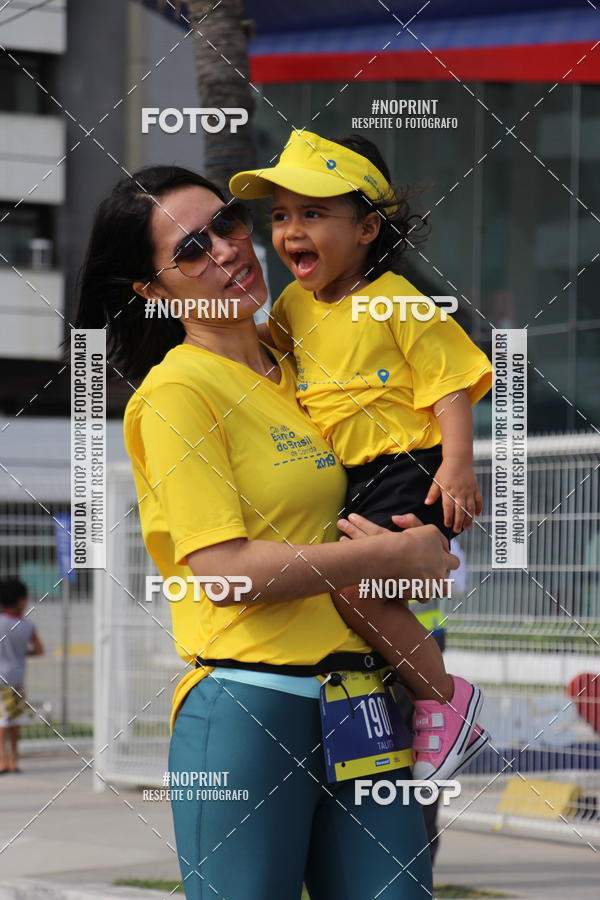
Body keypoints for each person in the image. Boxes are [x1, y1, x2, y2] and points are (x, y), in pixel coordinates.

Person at [75, 165, 460, 899]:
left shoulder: (305, 367)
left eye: (226, 222)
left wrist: (419, 555)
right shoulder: (176, 396)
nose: (226, 248)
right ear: (151, 293)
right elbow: (227, 573)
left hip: (360, 704)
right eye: (190, 248)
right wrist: (397, 552)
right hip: (255, 708)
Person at [230, 129, 494, 782]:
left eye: (314, 213)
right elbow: (263, 354)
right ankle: (395, 716)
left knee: (358, 586)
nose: (291, 230)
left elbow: (450, 385)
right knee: (358, 590)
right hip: (352, 479)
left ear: (368, 229)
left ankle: (447, 699)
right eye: (282, 216)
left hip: (412, 466)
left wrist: (459, 465)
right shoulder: (293, 304)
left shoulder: (397, 300)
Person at [0, 577, 44, 774]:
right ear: (21, 601)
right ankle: (14, 760)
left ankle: (2, 760)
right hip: (18, 680)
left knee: (2, 721)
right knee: (16, 722)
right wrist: (22, 653)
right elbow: (39, 649)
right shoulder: (27, 626)